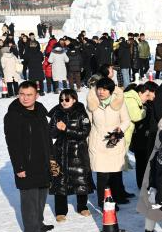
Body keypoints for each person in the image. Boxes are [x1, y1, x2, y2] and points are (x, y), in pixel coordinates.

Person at [4, 81, 53, 232]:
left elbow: (45, 136)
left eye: (29, 95)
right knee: (29, 199)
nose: (25, 98)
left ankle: (38, 223)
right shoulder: (13, 115)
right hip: (26, 164)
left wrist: (51, 158)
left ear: (36, 95)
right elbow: (13, 144)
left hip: (42, 161)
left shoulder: (40, 111)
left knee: (41, 196)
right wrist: (19, 166)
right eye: (22, 94)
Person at [48, 89, 94, 220]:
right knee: (60, 181)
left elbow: (84, 133)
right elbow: (50, 134)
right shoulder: (56, 113)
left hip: (78, 151)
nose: (63, 102)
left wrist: (66, 129)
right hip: (60, 152)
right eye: (61, 100)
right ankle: (60, 211)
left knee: (81, 180)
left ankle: (82, 206)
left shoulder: (81, 114)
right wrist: (56, 128)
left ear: (74, 99)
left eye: (67, 99)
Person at [87, 77, 131, 206]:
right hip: (98, 142)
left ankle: (117, 196)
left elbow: (126, 120)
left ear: (111, 91)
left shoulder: (119, 103)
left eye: (105, 89)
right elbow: (88, 123)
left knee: (115, 172)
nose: (101, 92)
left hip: (114, 141)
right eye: (99, 89)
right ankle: (104, 202)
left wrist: (119, 130)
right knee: (102, 175)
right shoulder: (92, 103)